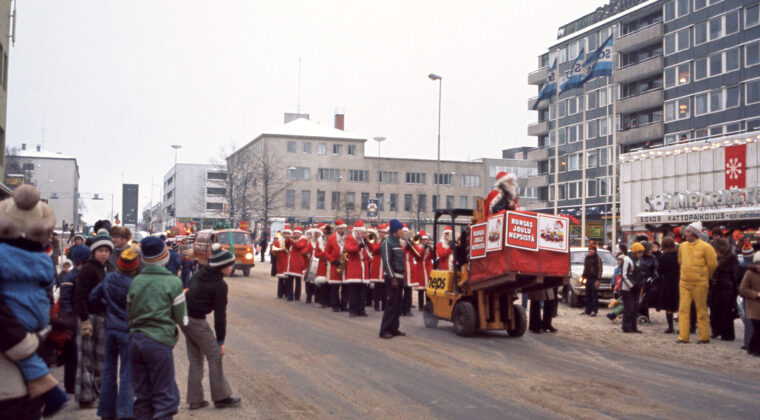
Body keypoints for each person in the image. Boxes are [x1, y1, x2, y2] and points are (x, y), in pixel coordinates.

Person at [0, 185, 69, 417]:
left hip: (21, 377)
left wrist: (50, 325)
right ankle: (50, 392)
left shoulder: (36, 259)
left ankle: (49, 392)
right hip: (8, 378)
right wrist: (28, 341)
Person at [127, 237, 187, 419]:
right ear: (165, 255)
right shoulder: (173, 283)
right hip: (159, 343)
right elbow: (182, 319)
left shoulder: (136, 281)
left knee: (143, 397)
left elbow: (129, 312)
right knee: (165, 398)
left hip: (135, 342)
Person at [182, 244, 241, 410]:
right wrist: (220, 341)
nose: (232, 268)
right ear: (222, 267)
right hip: (196, 320)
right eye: (230, 265)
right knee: (215, 354)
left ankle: (195, 399)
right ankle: (221, 397)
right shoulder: (220, 285)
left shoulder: (201, 273)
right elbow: (220, 315)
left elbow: (187, 287)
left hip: (184, 317)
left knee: (195, 358)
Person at [88, 248, 139, 419]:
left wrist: (105, 309)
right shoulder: (134, 284)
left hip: (110, 329)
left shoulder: (109, 278)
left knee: (108, 370)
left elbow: (93, 298)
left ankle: (106, 411)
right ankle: (125, 412)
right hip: (127, 330)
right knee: (127, 372)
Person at [74, 228, 114, 408]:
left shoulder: (107, 268)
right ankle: (85, 396)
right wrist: (84, 319)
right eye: (100, 250)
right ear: (94, 251)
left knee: (101, 358)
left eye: (106, 251)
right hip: (88, 317)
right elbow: (80, 296)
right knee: (86, 358)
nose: (104, 254)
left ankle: (97, 392)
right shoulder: (88, 269)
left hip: (103, 317)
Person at [677, 221, 718, 344]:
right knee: (683, 310)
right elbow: (680, 261)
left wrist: (704, 275)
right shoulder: (682, 246)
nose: (686, 234)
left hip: (700, 283)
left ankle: (704, 336)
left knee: (701, 309)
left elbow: (712, 264)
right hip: (684, 282)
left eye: (688, 232)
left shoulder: (706, 247)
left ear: (695, 233)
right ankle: (683, 336)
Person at [709, 238, 743, 341]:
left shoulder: (732, 259)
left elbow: (736, 276)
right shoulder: (719, 258)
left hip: (727, 289)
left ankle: (727, 334)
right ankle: (717, 330)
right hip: (718, 288)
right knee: (715, 311)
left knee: (726, 313)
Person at [379, 220, 407, 339]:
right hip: (392, 278)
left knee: (397, 305)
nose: (403, 232)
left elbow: (400, 262)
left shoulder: (397, 243)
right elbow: (387, 262)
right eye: (401, 230)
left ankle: (394, 329)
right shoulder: (387, 243)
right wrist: (392, 278)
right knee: (391, 304)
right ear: (396, 231)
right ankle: (384, 330)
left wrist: (403, 278)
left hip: (399, 277)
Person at [656, 237, 680, 334]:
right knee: (680, 305)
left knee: (668, 306)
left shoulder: (663, 256)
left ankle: (670, 327)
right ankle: (682, 327)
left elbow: (659, 270)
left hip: (667, 282)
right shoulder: (678, 255)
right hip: (678, 281)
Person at [621, 242, 644, 333]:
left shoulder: (638, 260)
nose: (641, 255)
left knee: (635, 308)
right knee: (629, 308)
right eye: (640, 252)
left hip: (636, 288)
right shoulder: (627, 259)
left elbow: (639, 274)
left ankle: (634, 327)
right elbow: (624, 275)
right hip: (627, 289)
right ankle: (626, 327)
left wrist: (641, 283)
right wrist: (632, 285)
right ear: (635, 252)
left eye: (642, 253)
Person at [739, 252, 760, 356]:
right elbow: (743, 289)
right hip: (753, 305)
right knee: (757, 328)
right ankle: (756, 350)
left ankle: (752, 348)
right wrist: (756, 294)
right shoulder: (749, 274)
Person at [325, 220, 347, 312]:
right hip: (335, 264)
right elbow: (326, 252)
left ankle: (344, 305)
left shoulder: (347, 238)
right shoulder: (331, 238)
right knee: (335, 287)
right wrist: (333, 260)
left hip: (345, 265)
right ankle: (335, 305)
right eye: (341, 228)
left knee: (345, 287)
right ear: (337, 229)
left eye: (344, 228)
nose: (343, 230)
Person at [285, 227, 308, 302]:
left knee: (298, 280)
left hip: (299, 261)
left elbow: (299, 246)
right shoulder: (293, 240)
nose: (296, 235)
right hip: (292, 261)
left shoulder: (304, 240)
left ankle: (297, 295)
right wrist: (287, 240)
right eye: (294, 233)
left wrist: (292, 240)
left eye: (297, 233)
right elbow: (287, 246)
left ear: (300, 234)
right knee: (290, 279)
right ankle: (290, 295)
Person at [638, 241, 659, 321]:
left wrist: (652, 279)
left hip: (648, 282)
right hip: (639, 281)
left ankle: (645, 316)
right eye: (649, 249)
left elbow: (656, 270)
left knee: (645, 300)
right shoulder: (639, 258)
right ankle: (637, 315)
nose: (651, 251)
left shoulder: (653, 258)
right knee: (638, 299)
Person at [369, 224, 387, 311]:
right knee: (377, 287)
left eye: (383, 233)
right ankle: (376, 305)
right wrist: (381, 242)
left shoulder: (386, 241)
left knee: (384, 287)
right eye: (380, 232)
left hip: (384, 264)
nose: (381, 234)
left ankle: (384, 305)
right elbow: (374, 249)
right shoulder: (375, 240)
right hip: (377, 263)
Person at [581, 242, 602, 316]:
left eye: (593, 249)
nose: (591, 251)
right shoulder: (587, 257)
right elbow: (585, 268)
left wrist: (598, 280)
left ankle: (594, 311)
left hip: (594, 279)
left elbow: (600, 269)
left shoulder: (597, 258)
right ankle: (587, 310)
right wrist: (583, 276)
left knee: (594, 296)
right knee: (588, 295)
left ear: (595, 250)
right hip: (588, 278)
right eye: (590, 249)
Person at [271, 226, 291, 299]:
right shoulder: (277, 241)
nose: (286, 234)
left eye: (288, 233)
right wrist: (275, 253)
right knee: (281, 278)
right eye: (285, 233)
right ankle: (280, 293)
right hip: (281, 260)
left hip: (289, 261)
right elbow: (273, 250)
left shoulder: (291, 241)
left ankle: (287, 293)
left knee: (288, 279)